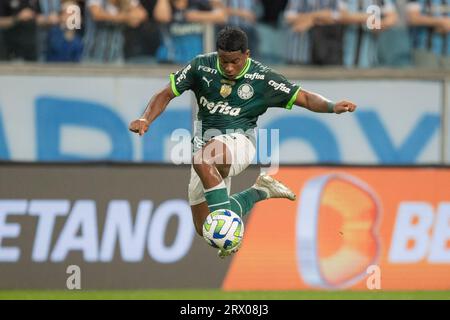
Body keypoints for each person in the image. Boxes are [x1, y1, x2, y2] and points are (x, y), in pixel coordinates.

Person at [129, 26, 357, 258]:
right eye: (223, 60)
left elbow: (305, 97)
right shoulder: (200, 66)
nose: (228, 67)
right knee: (205, 227)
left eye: (234, 61)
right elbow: (166, 93)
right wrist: (145, 118)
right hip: (205, 148)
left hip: (239, 142)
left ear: (246, 55)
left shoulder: (262, 78)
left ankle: (230, 226)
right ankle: (260, 191)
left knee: (204, 160)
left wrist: (332, 106)